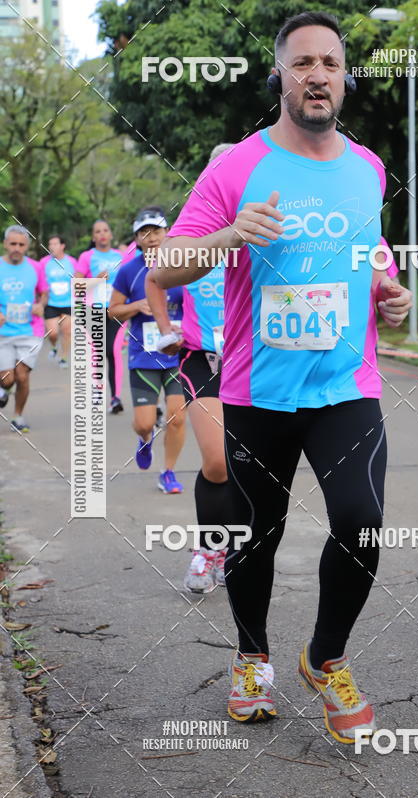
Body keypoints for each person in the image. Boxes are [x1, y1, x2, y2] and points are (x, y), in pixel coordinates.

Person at [152, 12, 412, 743]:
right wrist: (229, 236)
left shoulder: (367, 168)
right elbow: (164, 267)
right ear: (280, 75)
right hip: (257, 391)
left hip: (345, 387)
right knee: (254, 537)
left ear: (344, 75)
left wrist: (392, 298)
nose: (318, 74)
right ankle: (251, 657)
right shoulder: (235, 165)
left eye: (330, 62)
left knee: (361, 522)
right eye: (303, 62)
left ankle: (325, 658)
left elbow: (374, 260)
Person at [146, 143, 232, 594]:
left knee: (250, 468)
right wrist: (165, 328)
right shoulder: (191, 236)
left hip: (258, 362)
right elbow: (154, 279)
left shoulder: (258, 228)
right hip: (203, 360)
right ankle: (206, 548)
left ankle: (234, 549)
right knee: (217, 462)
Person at [110, 207, 186, 494]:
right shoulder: (129, 271)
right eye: (144, 232)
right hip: (143, 356)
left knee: (177, 417)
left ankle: (168, 473)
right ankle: (145, 439)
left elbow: (196, 304)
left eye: (156, 231)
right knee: (143, 424)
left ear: (167, 234)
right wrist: (136, 307)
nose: (151, 237)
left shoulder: (182, 264)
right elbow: (112, 311)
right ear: (137, 239)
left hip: (178, 354)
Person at [0, 226, 48, 431]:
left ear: (27, 246)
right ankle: (3, 390)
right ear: (5, 244)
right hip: (3, 333)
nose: (17, 248)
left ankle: (18, 417)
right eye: (13, 244)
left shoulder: (36, 267)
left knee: (22, 375)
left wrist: (40, 305)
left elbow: (44, 292)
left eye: (21, 244)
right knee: (7, 378)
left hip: (30, 331)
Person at [77, 220, 125, 413]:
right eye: (98, 231)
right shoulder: (86, 257)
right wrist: (96, 279)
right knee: (97, 352)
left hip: (116, 309)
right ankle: (97, 391)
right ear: (93, 237)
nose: (102, 234)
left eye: (106, 230)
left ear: (111, 234)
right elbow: (78, 285)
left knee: (113, 351)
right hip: (92, 310)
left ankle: (115, 398)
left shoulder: (121, 257)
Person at [39, 235, 79, 368]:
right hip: (51, 303)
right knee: (53, 332)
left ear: (62, 246)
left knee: (67, 332)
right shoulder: (44, 263)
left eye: (55, 244)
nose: (51, 247)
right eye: (50, 244)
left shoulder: (72, 262)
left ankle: (63, 358)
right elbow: (40, 282)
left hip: (68, 302)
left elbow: (78, 279)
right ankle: (54, 346)